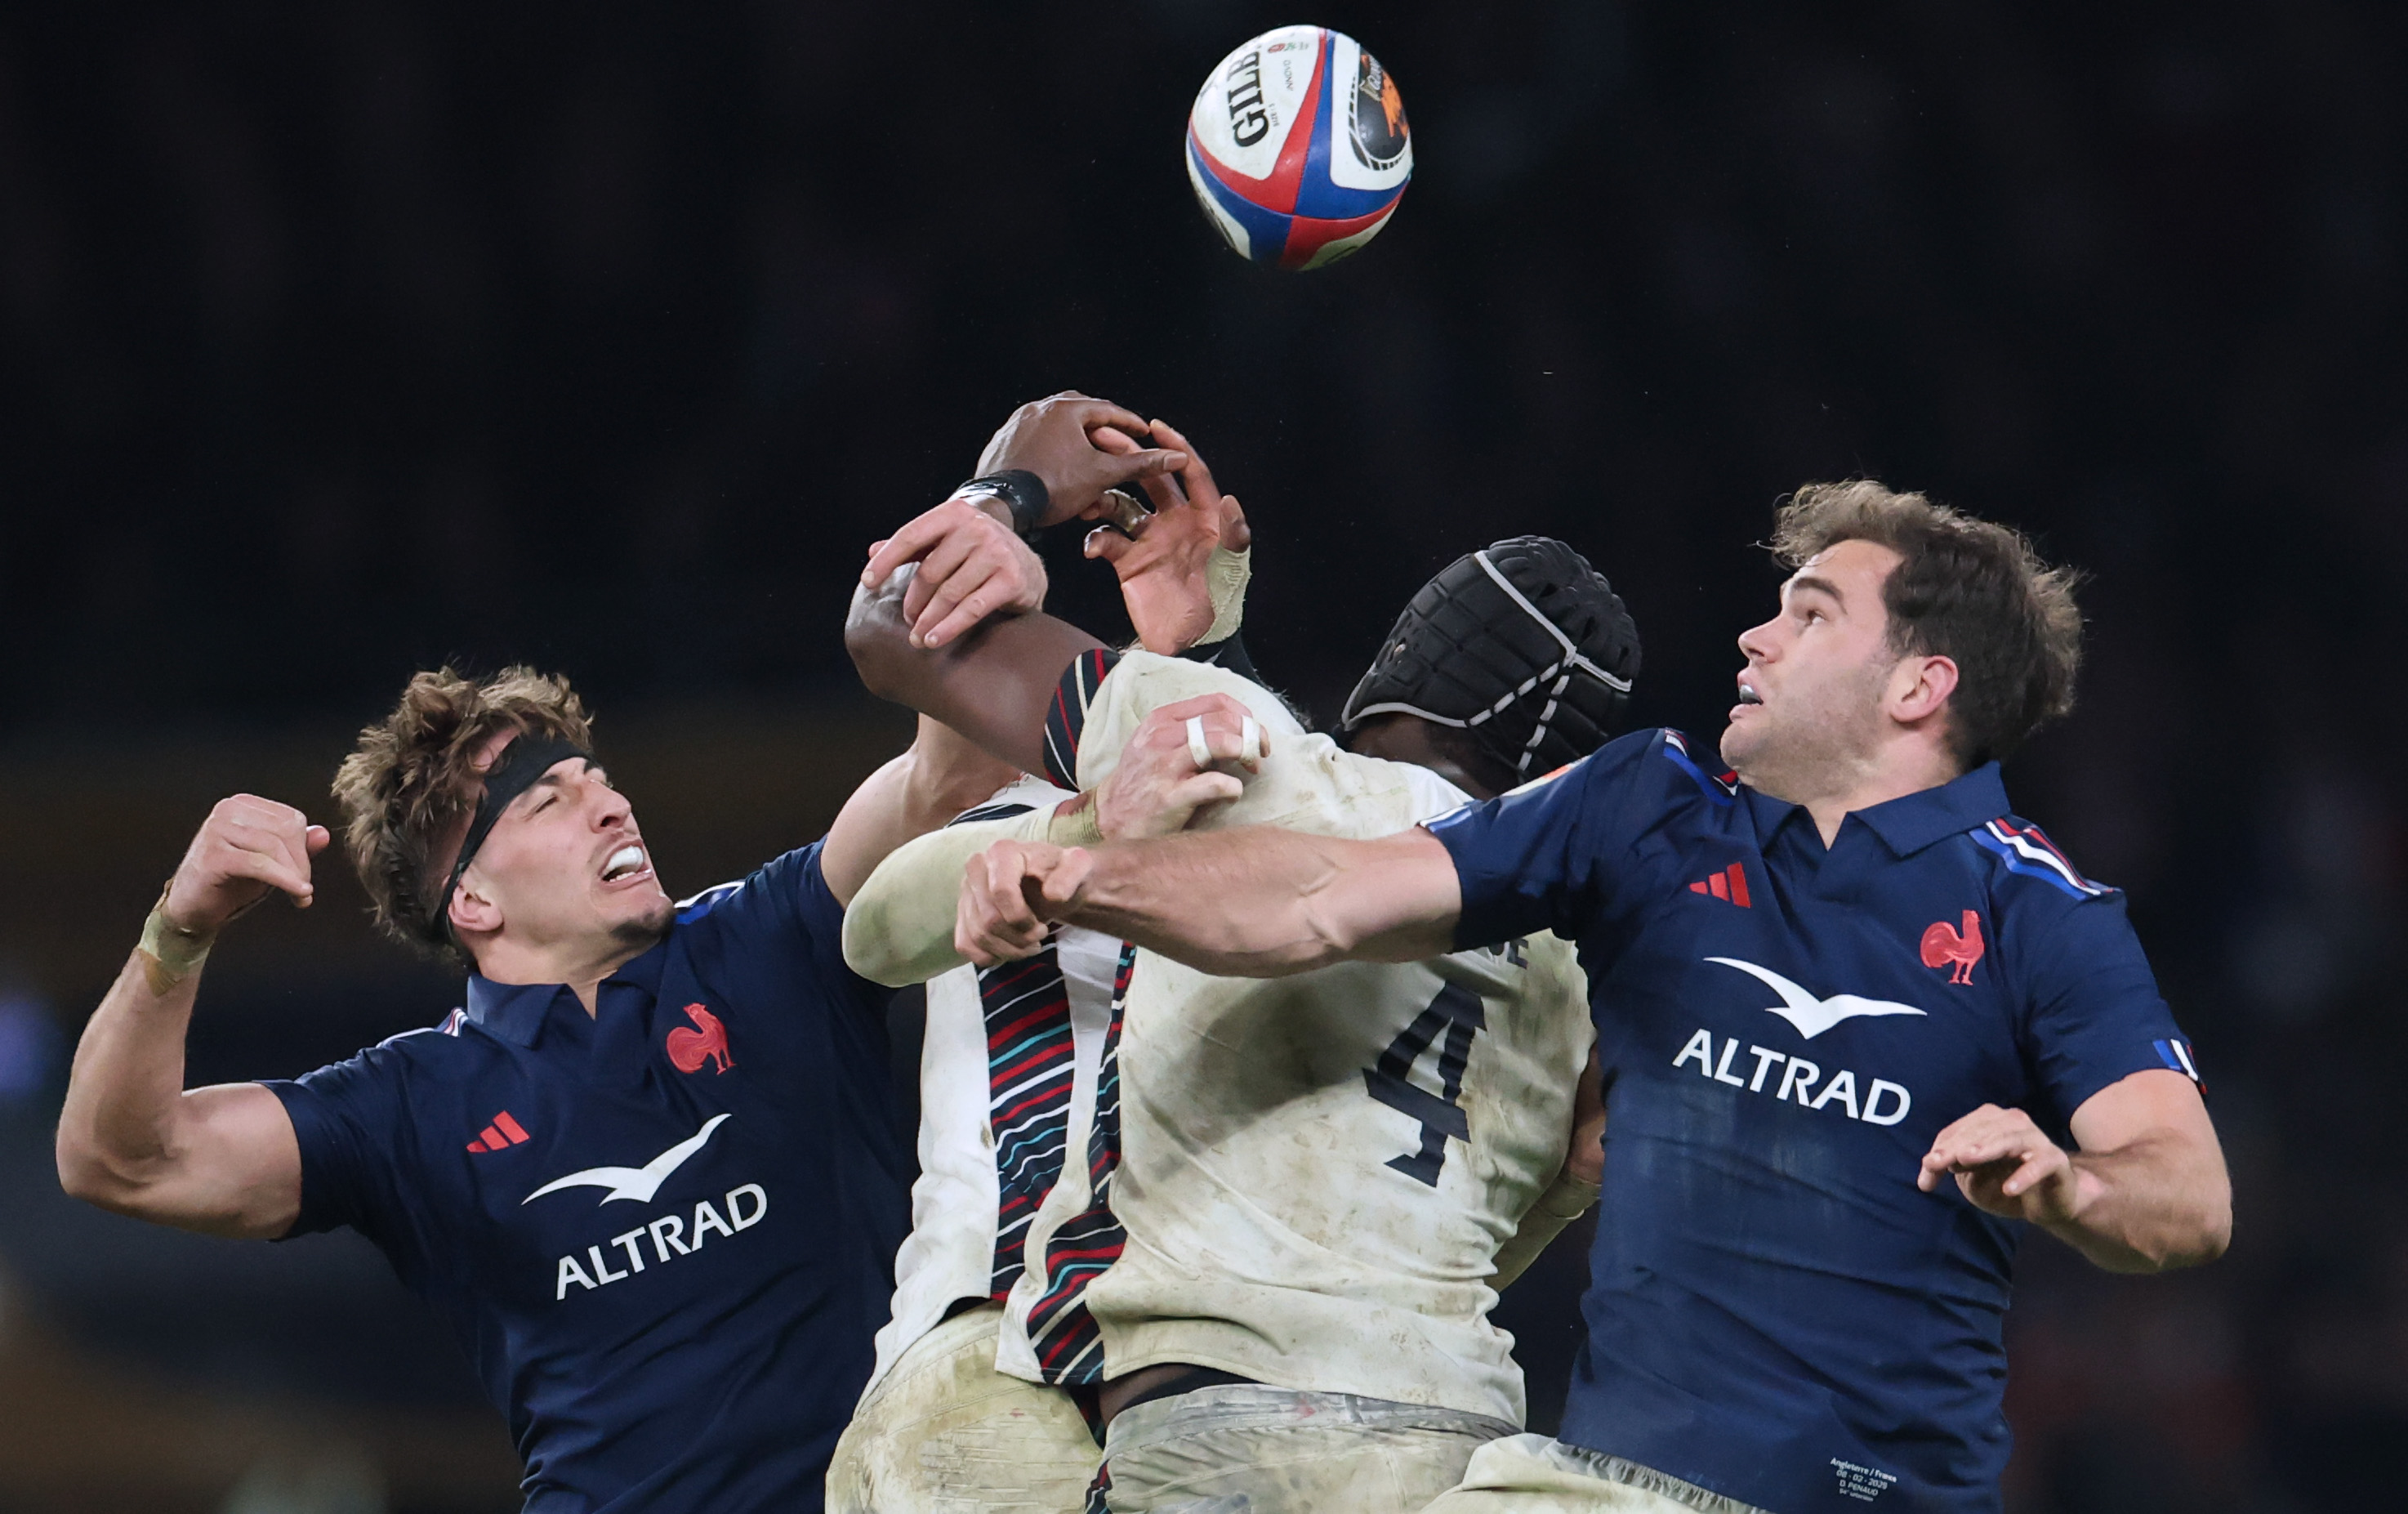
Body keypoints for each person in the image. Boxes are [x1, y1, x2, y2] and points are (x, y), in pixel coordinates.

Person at [956, 480, 2233, 1514]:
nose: (1755, 635)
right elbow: (1320, 898)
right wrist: (1088, 880)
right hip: (1602, 1484)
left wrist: (2071, 1182)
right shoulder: (1652, 809)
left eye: (1809, 614)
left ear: (1918, 685)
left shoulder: (2043, 913)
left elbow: (2189, 1194)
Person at [50, 397, 1190, 1514]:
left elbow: (946, 775)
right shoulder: (409, 1106)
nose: (609, 806)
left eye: (598, 778)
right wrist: (178, 929)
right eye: (550, 799)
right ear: (474, 900)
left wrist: (993, 507)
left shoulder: (769, 936)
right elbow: (119, 1161)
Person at [841, 424, 1640, 1513]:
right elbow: (1568, 1181)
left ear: (1400, 661)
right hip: (1445, 1413)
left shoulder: (1225, 747)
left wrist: (1005, 496)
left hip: (1186, 1389)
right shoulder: (1580, 955)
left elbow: (893, 653)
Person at [825, 402, 1262, 1513]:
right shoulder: (977, 798)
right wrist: (1004, 494)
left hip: (1169, 1339)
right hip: (981, 1335)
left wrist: (1206, 648)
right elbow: (875, 930)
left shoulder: (1255, 829)